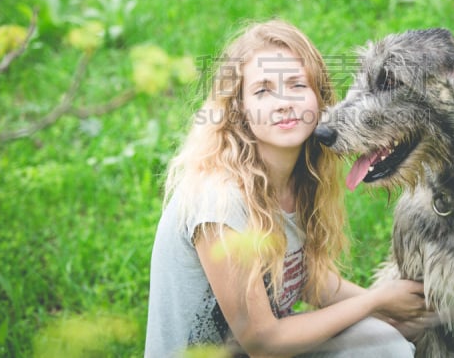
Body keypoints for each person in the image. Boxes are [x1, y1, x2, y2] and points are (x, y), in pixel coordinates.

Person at [145, 19, 430, 357]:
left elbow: (309, 279)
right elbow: (262, 342)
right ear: (238, 110)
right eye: (263, 90)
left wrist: (397, 313)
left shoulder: (300, 180)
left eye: (296, 85)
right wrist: (376, 300)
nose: (283, 102)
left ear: (320, 99)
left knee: (382, 342)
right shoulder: (219, 199)